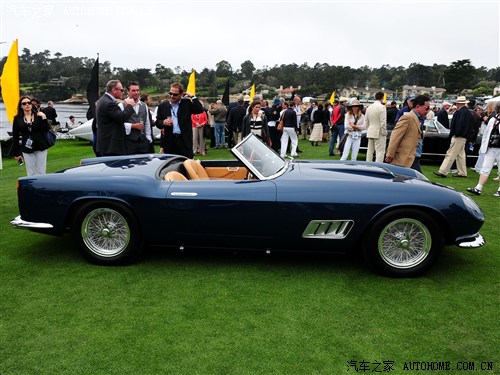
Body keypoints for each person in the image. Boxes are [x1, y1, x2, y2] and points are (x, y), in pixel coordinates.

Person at [155, 82, 204, 159]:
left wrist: (192, 96)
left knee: (186, 166)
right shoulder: (163, 106)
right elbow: (158, 122)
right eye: (170, 93)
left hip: (184, 141)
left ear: (181, 94)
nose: (172, 96)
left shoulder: (186, 103)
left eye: (175, 94)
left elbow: (199, 109)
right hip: (169, 142)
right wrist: (163, 122)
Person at [433, 96, 474, 178]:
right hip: (463, 136)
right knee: (460, 155)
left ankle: (443, 171)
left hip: (458, 136)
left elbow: (458, 125)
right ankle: (462, 172)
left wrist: (455, 134)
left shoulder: (460, 113)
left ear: (458, 104)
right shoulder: (467, 112)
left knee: (451, 154)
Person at [385, 95, 430, 168]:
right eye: (426, 108)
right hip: (405, 158)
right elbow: (395, 136)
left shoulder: (419, 118)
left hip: (414, 157)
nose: (427, 111)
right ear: (418, 106)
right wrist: (390, 154)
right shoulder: (407, 117)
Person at [467, 101, 500, 197]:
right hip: (490, 148)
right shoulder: (493, 119)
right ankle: (478, 188)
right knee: (485, 168)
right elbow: (486, 134)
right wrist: (483, 147)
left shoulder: (493, 119)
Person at [95, 80, 136, 156]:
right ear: (114, 90)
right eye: (121, 90)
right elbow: (121, 118)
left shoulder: (103, 100)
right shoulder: (109, 103)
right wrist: (130, 106)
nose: (123, 92)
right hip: (111, 146)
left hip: (106, 144)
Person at [11, 96, 50, 175]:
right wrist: (17, 153)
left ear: (31, 105)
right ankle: (32, 187)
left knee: (41, 171)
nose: (27, 105)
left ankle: (41, 187)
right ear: (21, 106)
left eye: (29, 103)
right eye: (24, 103)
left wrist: (44, 117)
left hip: (41, 146)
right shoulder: (17, 119)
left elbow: (46, 129)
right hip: (27, 148)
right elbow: (15, 136)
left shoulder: (38, 115)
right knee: (31, 172)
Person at [120, 81, 153, 155]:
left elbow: (147, 123)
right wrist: (132, 126)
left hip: (143, 142)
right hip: (128, 142)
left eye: (137, 90)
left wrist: (148, 138)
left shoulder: (144, 106)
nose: (136, 93)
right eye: (133, 90)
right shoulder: (122, 105)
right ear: (128, 92)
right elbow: (119, 123)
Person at [364, 91, 387, 162]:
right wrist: (384, 132)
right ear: (382, 98)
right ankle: (378, 168)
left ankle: (368, 166)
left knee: (370, 151)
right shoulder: (382, 107)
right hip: (379, 131)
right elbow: (383, 122)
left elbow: (366, 121)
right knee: (380, 152)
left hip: (371, 131)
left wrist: (368, 129)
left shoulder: (369, 108)